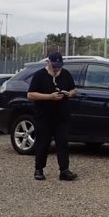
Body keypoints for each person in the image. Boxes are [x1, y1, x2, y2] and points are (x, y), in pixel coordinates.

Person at [27, 51, 78, 181]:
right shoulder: (39, 75)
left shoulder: (65, 74)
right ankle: (39, 169)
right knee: (42, 143)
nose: (56, 69)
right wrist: (50, 97)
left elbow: (74, 89)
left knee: (63, 143)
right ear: (48, 63)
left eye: (59, 66)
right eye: (54, 66)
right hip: (44, 116)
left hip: (62, 116)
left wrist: (69, 94)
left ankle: (64, 170)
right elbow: (30, 94)